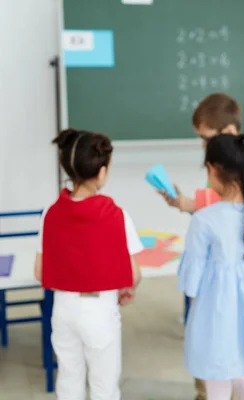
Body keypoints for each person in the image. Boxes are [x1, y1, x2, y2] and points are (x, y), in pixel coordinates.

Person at [35, 128, 143, 400]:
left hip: (63, 309)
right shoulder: (117, 215)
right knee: (104, 387)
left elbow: (39, 271)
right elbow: (133, 273)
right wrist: (125, 287)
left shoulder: (50, 213)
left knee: (69, 380)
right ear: (102, 172)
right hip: (99, 309)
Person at [177, 133, 244, 400]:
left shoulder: (204, 220)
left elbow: (191, 284)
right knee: (239, 373)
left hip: (214, 316)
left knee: (218, 378)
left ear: (213, 170)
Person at [160, 92, 244, 214]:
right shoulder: (217, 168)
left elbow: (231, 215)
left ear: (230, 131)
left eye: (207, 138)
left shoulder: (243, 172)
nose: (203, 145)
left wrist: (191, 204)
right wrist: (185, 203)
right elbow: (212, 211)